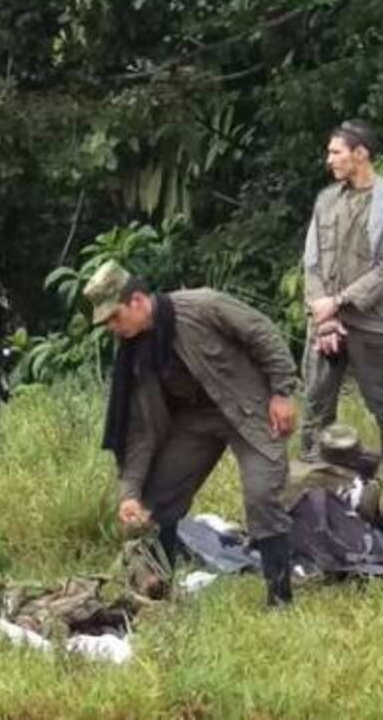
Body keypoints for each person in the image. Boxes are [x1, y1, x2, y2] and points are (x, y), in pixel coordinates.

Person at [83, 259, 299, 607]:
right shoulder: (137, 353)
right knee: (156, 498)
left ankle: (280, 599)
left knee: (262, 495)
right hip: (196, 420)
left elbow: (261, 333)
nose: (112, 327)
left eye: (114, 316)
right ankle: (159, 591)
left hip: (248, 408)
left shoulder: (203, 306)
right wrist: (130, 493)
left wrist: (282, 392)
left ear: (137, 301)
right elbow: (139, 432)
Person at [300, 122, 383, 458]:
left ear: (360, 154)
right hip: (325, 324)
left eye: (336, 152)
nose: (329, 159)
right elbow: (311, 262)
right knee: (315, 413)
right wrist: (323, 316)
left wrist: (339, 302)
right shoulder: (326, 199)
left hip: (371, 325)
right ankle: (317, 495)